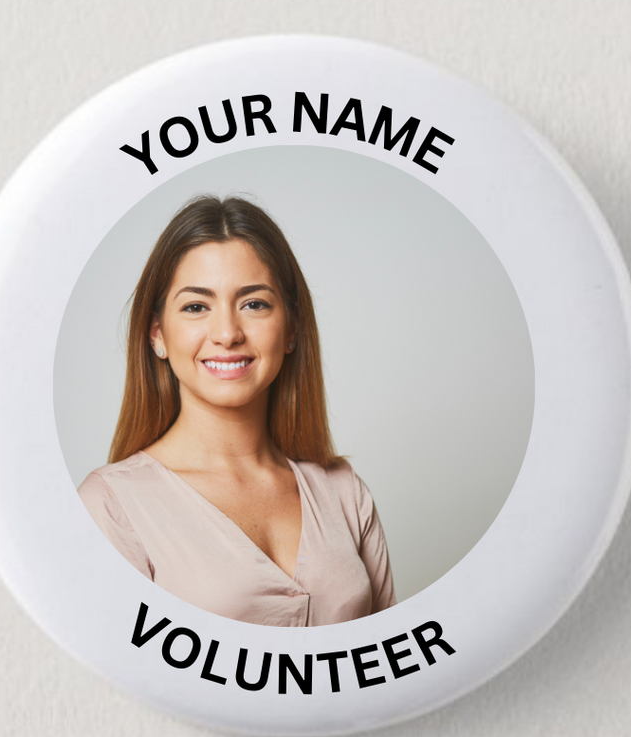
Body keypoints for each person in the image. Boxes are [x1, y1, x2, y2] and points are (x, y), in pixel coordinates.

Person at [77, 194, 396, 627]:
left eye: (254, 304)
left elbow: (393, 675)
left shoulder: (343, 492)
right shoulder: (111, 506)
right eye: (196, 307)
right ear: (158, 335)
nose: (227, 334)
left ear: (291, 328)